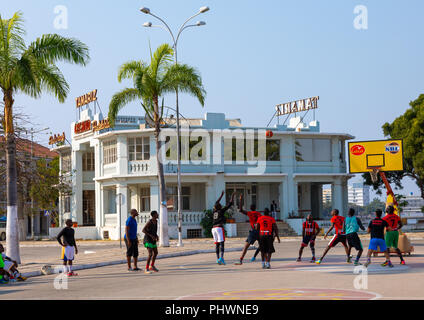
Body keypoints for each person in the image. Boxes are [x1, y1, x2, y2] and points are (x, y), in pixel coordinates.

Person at [235, 195, 262, 265]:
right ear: (255, 208)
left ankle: (241, 260)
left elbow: (240, 210)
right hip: (260, 231)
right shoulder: (259, 214)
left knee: (246, 246)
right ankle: (264, 262)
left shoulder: (250, 213)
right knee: (262, 246)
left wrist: (240, 200)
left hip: (254, 232)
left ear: (250, 208)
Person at [212, 190, 235, 265]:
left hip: (213, 228)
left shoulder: (214, 211)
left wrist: (221, 195)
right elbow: (230, 204)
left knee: (217, 244)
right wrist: (232, 195)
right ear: (220, 207)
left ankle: (217, 258)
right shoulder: (221, 211)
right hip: (219, 228)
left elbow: (217, 202)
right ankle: (221, 258)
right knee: (222, 244)